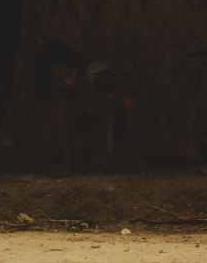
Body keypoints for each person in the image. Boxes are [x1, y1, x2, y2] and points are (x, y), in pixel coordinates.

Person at [35, 42, 148, 176]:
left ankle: (137, 159)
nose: (69, 82)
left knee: (131, 102)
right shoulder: (64, 92)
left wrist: (108, 100)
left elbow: (132, 80)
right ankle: (68, 161)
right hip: (92, 121)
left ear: (75, 66)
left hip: (116, 119)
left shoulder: (95, 75)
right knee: (57, 106)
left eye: (70, 74)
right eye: (60, 81)